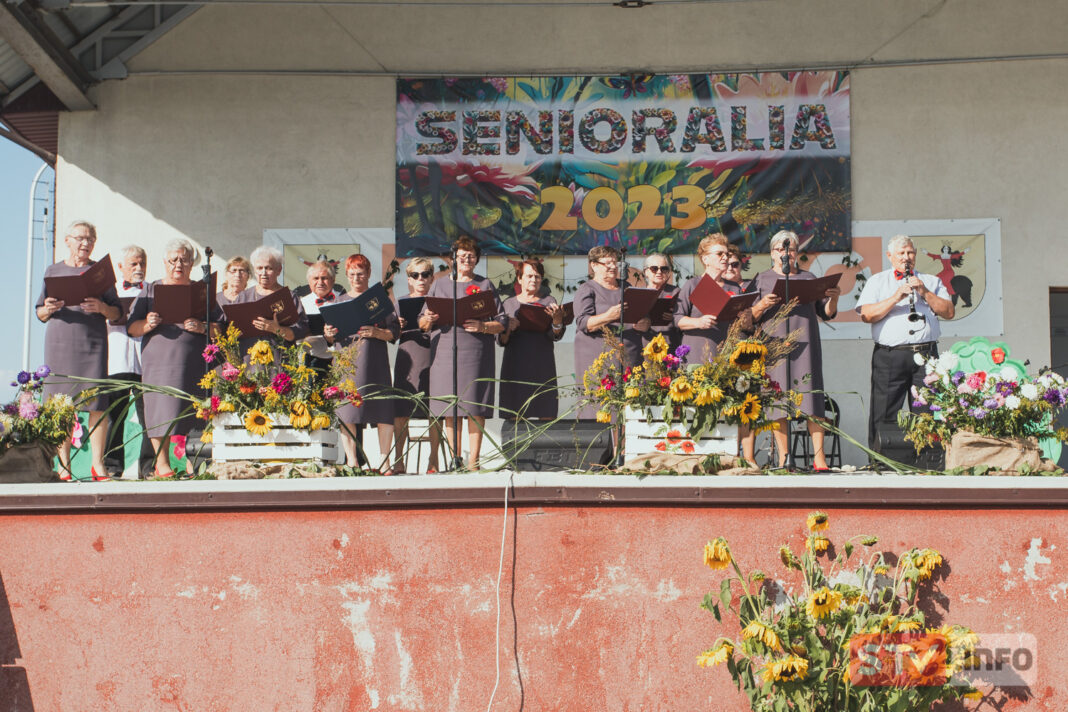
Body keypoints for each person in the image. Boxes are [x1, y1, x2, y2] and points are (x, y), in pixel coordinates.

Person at [127, 239, 223, 478]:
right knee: (160, 410)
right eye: (173, 260)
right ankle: (162, 464)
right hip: (158, 362)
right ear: (165, 262)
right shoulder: (150, 290)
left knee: (194, 409)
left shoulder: (202, 291)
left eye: (184, 259)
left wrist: (203, 327)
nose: (178, 264)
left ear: (192, 264)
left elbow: (221, 329)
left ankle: (195, 462)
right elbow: (132, 328)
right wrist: (147, 324)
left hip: (194, 363)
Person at [34, 220, 123, 480]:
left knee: (96, 404)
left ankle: (98, 465)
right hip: (60, 344)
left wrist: (102, 308)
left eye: (90, 239)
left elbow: (118, 313)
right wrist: (48, 308)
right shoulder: (53, 270)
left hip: (92, 344)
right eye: (81, 238)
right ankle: (63, 467)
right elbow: (39, 312)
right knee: (62, 407)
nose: (85, 243)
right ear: (67, 241)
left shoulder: (99, 273)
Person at [746, 230, 841, 470]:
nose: (785, 253)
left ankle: (819, 459)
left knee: (812, 401)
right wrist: (761, 305)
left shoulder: (809, 277)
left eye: (789, 249)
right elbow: (747, 319)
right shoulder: (761, 280)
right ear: (771, 253)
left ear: (796, 253)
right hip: (774, 347)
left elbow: (826, 312)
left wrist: (834, 298)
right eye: (780, 249)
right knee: (778, 402)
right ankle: (784, 458)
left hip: (806, 345)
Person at [856, 234, 954, 453]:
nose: (906, 257)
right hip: (891, 355)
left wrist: (924, 292)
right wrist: (895, 297)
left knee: (926, 410)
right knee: (884, 409)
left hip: (926, 354)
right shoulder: (878, 281)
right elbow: (866, 315)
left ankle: (928, 460)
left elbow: (948, 312)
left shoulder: (931, 281)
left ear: (915, 255)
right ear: (890, 256)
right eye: (901, 253)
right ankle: (880, 460)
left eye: (910, 253)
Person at [420, 236, 507, 469]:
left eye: (471, 256)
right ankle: (454, 459)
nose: (466, 259)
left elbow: (502, 321)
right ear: (454, 259)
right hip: (445, 352)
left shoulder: (485, 284)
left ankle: (474, 461)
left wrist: (484, 327)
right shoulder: (439, 284)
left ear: (477, 259)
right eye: (461, 256)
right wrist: (427, 319)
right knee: (451, 407)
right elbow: (422, 322)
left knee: (474, 405)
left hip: (476, 351)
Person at [325, 254, 398, 471]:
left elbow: (394, 332)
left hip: (375, 361)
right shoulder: (337, 302)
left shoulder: (380, 300)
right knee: (348, 411)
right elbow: (330, 339)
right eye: (352, 274)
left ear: (368, 274)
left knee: (382, 409)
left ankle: (385, 462)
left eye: (361, 273)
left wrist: (377, 331)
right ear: (347, 276)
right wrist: (328, 333)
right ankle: (352, 462)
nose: (357, 278)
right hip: (348, 364)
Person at [499, 259, 565, 420]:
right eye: (529, 276)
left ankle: (547, 447)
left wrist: (557, 321)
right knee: (515, 415)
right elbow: (502, 340)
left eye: (537, 276)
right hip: (515, 366)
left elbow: (555, 334)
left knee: (546, 414)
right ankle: (515, 447)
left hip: (542, 365)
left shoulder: (549, 302)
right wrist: (508, 327)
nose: (533, 280)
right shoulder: (508, 304)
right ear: (519, 279)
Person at [392, 257, 441, 474]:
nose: (420, 279)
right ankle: (399, 459)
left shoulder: (440, 300)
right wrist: (397, 327)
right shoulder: (399, 301)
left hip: (436, 356)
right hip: (408, 357)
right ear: (409, 279)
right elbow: (389, 335)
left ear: (432, 278)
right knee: (401, 410)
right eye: (415, 275)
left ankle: (434, 459)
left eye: (425, 274)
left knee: (436, 410)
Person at [105, 244, 148, 474]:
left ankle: (149, 467)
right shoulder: (110, 294)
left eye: (142, 263)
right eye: (133, 263)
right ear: (121, 267)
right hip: (117, 362)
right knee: (114, 416)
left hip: (146, 363)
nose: (139, 267)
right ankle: (112, 466)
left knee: (149, 419)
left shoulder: (152, 291)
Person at [674, 234, 745, 364]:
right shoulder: (693, 285)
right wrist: (698, 322)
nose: (725, 258)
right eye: (719, 254)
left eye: (727, 254)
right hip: (696, 354)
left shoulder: (734, 288)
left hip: (725, 356)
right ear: (705, 259)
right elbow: (677, 318)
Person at [573, 245, 623, 420]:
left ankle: (622, 448)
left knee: (625, 408)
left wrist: (644, 321)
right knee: (598, 407)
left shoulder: (627, 287)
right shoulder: (587, 289)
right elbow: (583, 322)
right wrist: (609, 316)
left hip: (625, 358)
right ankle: (602, 447)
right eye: (607, 263)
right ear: (593, 265)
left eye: (615, 262)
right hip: (596, 358)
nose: (613, 266)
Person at [232, 246, 309, 357]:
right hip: (250, 363)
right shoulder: (243, 297)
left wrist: (276, 329)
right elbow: (232, 330)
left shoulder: (289, 297)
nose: (263, 273)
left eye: (268, 268)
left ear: (279, 270)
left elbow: (301, 330)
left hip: (280, 363)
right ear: (254, 270)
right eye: (259, 268)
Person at [621, 252, 680, 365]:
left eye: (664, 268)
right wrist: (635, 325)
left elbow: (684, 317)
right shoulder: (636, 294)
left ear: (668, 272)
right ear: (646, 272)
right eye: (654, 268)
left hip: (670, 349)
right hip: (643, 350)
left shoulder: (676, 292)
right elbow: (625, 320)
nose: (659, 272)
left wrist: (675, 318)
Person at [299, 261, 338, 377]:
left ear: (333, 280)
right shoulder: (301, 304)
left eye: (324, 278)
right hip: (311, 362)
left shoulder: (342, 301)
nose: (320, 282)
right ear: (309, 281)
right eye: (316, 278)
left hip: (339, 361)